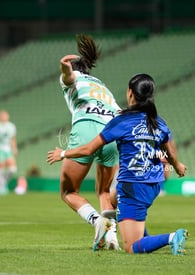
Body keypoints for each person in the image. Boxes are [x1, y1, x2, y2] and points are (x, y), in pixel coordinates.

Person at [48, 73, 189, 255]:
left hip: (133, 187)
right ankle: (108, 226)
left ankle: (172, 237)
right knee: (110, 200)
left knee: (132, 246)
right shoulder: (159, 122)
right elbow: (169, 152)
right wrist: (177, 166)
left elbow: (89, 149)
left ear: (130, 93)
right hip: (152, 184)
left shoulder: (121, 122)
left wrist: (64, 153)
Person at [56, 34, 121, 251]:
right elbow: (119, 112)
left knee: (68, 192)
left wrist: (63, 66)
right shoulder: (103, 86)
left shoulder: (74, 77)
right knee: (103, 191)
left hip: (86, 128)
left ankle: (97, 221)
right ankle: (112, 237)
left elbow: (67, 76)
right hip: (112, 132)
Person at [0, 110, 18, 195]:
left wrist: (15, 149)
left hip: (8, 149)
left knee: (12, 169)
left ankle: (3, 183)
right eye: (2, 115)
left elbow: (13, 139)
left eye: (5, 115)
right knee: (0, 167)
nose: (3, 117)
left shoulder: (11, 126)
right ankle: (1, 187)